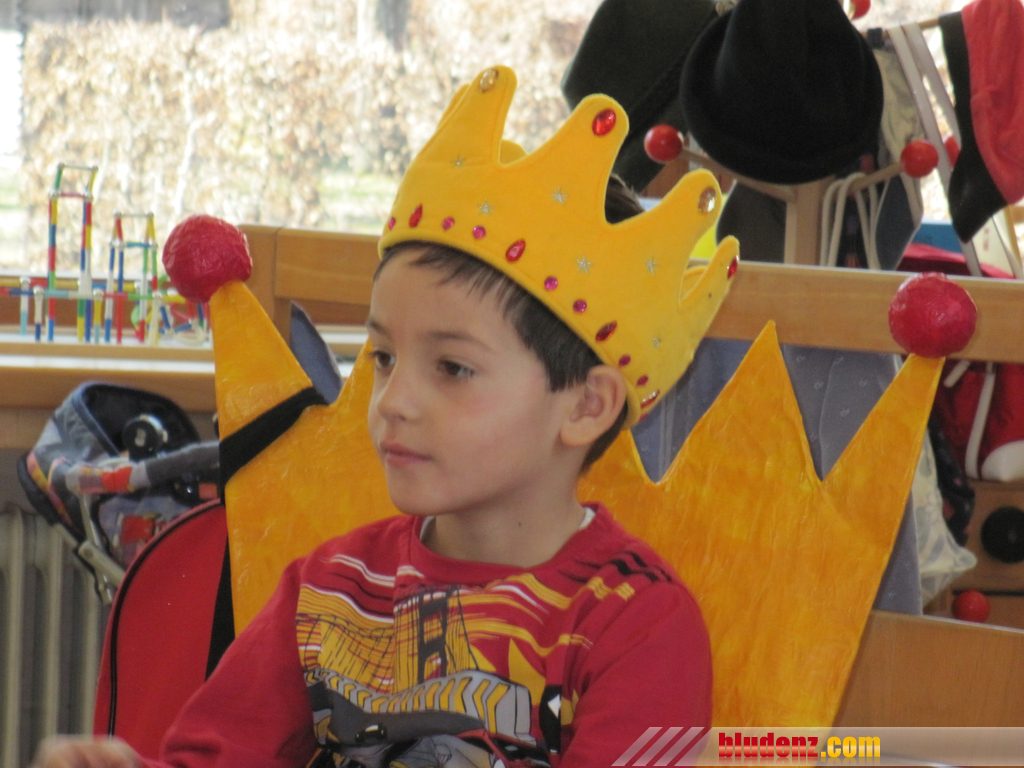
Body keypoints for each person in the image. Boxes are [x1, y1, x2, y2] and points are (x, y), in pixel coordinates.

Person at [35, 64, 738, 768]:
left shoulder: (637, 625)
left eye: (453, 368)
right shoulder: (328, 589)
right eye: (383, 357)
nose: (393, 400)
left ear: (586, 405)